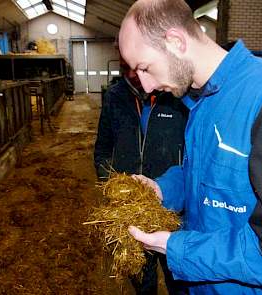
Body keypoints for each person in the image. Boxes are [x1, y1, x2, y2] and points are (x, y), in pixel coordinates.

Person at [118, 0, 262, 294]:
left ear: (175, 41)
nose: (145, 87)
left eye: (144, 68)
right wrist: (163, 189)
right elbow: (204, 175)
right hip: (200, 284)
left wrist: (176, 247)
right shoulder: (201, 103)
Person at [94, 57, 188, 294]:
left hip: (170, 207)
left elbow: (191, 154)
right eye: (128, 68)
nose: (135, 75)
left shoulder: (177, 97)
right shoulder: (115, 97)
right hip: (130, 209)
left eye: (141, 67)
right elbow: (103, 148)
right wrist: (112, 187)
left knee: (177, 276)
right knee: (141, 276)